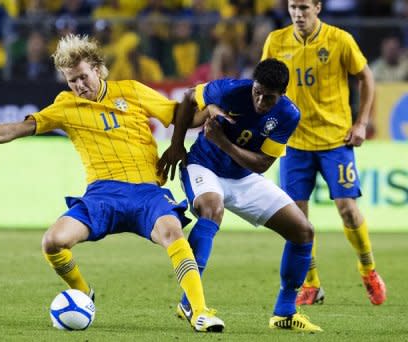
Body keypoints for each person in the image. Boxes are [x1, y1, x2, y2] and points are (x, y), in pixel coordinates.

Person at [0, 33, 224, 333]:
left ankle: (199, 311)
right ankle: (83, 293)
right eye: (71, 81)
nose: (79, 86)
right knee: (53, 242)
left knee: (173, 233)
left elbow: (183, 117)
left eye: (82, 77)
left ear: (97, 68)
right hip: (102, 195)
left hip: (146, 192)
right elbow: (15, 129)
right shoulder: (66, 106)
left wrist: (210, 111)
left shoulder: (131, 91)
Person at [158, 58, 322, 332]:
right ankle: (190, 303)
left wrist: (223, 142)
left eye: (268, 98)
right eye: (257, 92)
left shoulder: (288, 115)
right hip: (204, 165)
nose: (259, 100)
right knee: (212, 208)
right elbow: (188, 97)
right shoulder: (230, 90)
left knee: (303, 231)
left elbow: (261, 164)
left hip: (245, 176)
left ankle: (284, 312)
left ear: (281, 95)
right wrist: (176, 146)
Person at [261, 0, 386, 306]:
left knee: (346, 207)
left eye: (304, 7)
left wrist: (361, 122)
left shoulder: (339, 40)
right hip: (294, 143)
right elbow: (263, 84)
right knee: (297, 218)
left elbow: (366, 77)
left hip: (335, 140)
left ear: (318, 7)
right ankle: (311, 283)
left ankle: (368, 270)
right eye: (292, 7)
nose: (297, 14)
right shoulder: (276, 41)